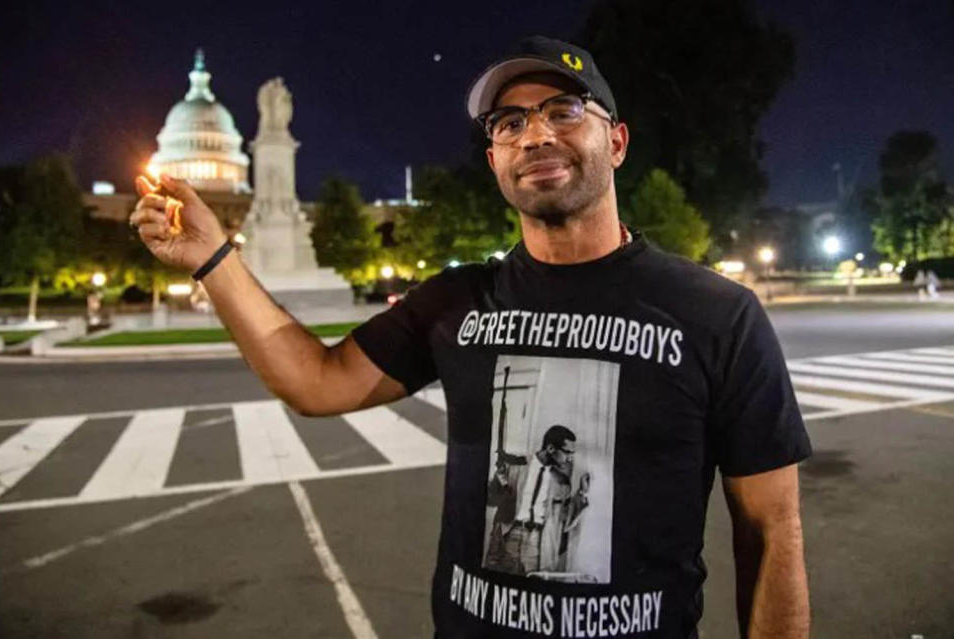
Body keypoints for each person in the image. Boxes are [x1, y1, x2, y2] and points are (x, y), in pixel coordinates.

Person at [131, 35, 811, 639]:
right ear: (494, 160)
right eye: (510, 122)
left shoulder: (717, 314)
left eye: (564, 111)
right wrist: (215, 260)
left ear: (618, 141)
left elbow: (769, 531)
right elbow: (316, 380)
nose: (535, 135)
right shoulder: (453, 302)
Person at [485, 424, 590, 578]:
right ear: (551, 449)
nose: (570, 458)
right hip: (509, 534)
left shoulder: (562, 482)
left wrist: (582, 492)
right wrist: (497, 482)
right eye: (567, 452)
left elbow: (565, 521)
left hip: (539, 542)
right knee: (499, 581)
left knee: (530, 586)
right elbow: (491, 499)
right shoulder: (515, 464)